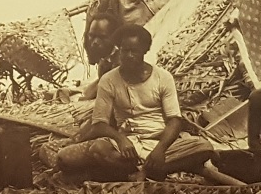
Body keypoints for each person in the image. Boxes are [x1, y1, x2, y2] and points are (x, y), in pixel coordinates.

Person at [56, 24, 243, 184]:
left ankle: (137, 172)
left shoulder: (162, 78)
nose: (128, 55)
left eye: (133, 51)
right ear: (118, 49)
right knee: (91, 151)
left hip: (160, 142)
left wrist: (160, 149)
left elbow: (175, 121)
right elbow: (99, 123)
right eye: (124, 50)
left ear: (145, 51)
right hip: (129, 143)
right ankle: (152, 170)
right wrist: (121, 139)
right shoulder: (109, 80)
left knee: (203, 147)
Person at [80, 10, 121, 101]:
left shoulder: (121, 62)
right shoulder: (105, 59)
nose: (95, 42)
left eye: (102, 37)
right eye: (92, 36)